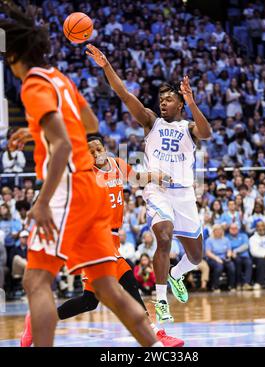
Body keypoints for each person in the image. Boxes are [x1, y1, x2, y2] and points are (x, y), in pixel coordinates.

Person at [2, 3, 160, 347]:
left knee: (36, 283)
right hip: (91, 191)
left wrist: (43, 202)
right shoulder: (59, 78)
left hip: (67, 191)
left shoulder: (32, 85)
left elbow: (61, 146)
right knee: (109, 290)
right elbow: (89, 125)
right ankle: (158, 349)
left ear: (14, 55)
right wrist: (36, 130)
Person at [86, 44, 211, 322]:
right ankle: (162, 300)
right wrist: (106, 65)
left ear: (179, 103)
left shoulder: (189, 127)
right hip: (157, 191)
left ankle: (177, 276)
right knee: (164, 236)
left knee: (196, 257)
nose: (162, 103)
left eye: (168, 99)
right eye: (161, 99)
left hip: (185, 194)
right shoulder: (150, 121)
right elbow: (124, 94)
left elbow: (207, 132)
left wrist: (192, 102)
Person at [20, 136, 183, 347]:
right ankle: (155, 334)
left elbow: (138, 178)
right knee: (128, 278)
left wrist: (157, 176)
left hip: (112, 238)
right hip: (95, 236)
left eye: (99, 150)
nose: (97, 155)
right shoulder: (85, 175)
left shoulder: (117, 164)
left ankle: (38, 320)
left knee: (89, 301)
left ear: (105, 149)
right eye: (91, 153)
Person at [205, 224, 236, 292]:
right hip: (213, 258)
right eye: (217, 230)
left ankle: (231, 286)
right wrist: (216, 258)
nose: (219, 231)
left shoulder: (226, 239)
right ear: (214, 231)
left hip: (224, 257)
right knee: (219, 267)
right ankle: (215, 286)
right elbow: (208, 252)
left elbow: (229, 250)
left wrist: (228, 255)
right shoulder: (209, 240)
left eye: (220, 230)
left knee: (231, 267)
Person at [226, 223, 253, 291]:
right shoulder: (227, 237)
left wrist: (235, 251)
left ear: (238, 229)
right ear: (229, 229)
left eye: (235, 228)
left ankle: (246, 283)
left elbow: (246, 246)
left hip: (244, 255)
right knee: (237, 262)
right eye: (232, 228)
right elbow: (227, 247)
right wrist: (232, 253)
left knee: (249, 263)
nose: (234, 230)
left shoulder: (243, 235)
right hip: (233, 256)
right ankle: (238, 283)